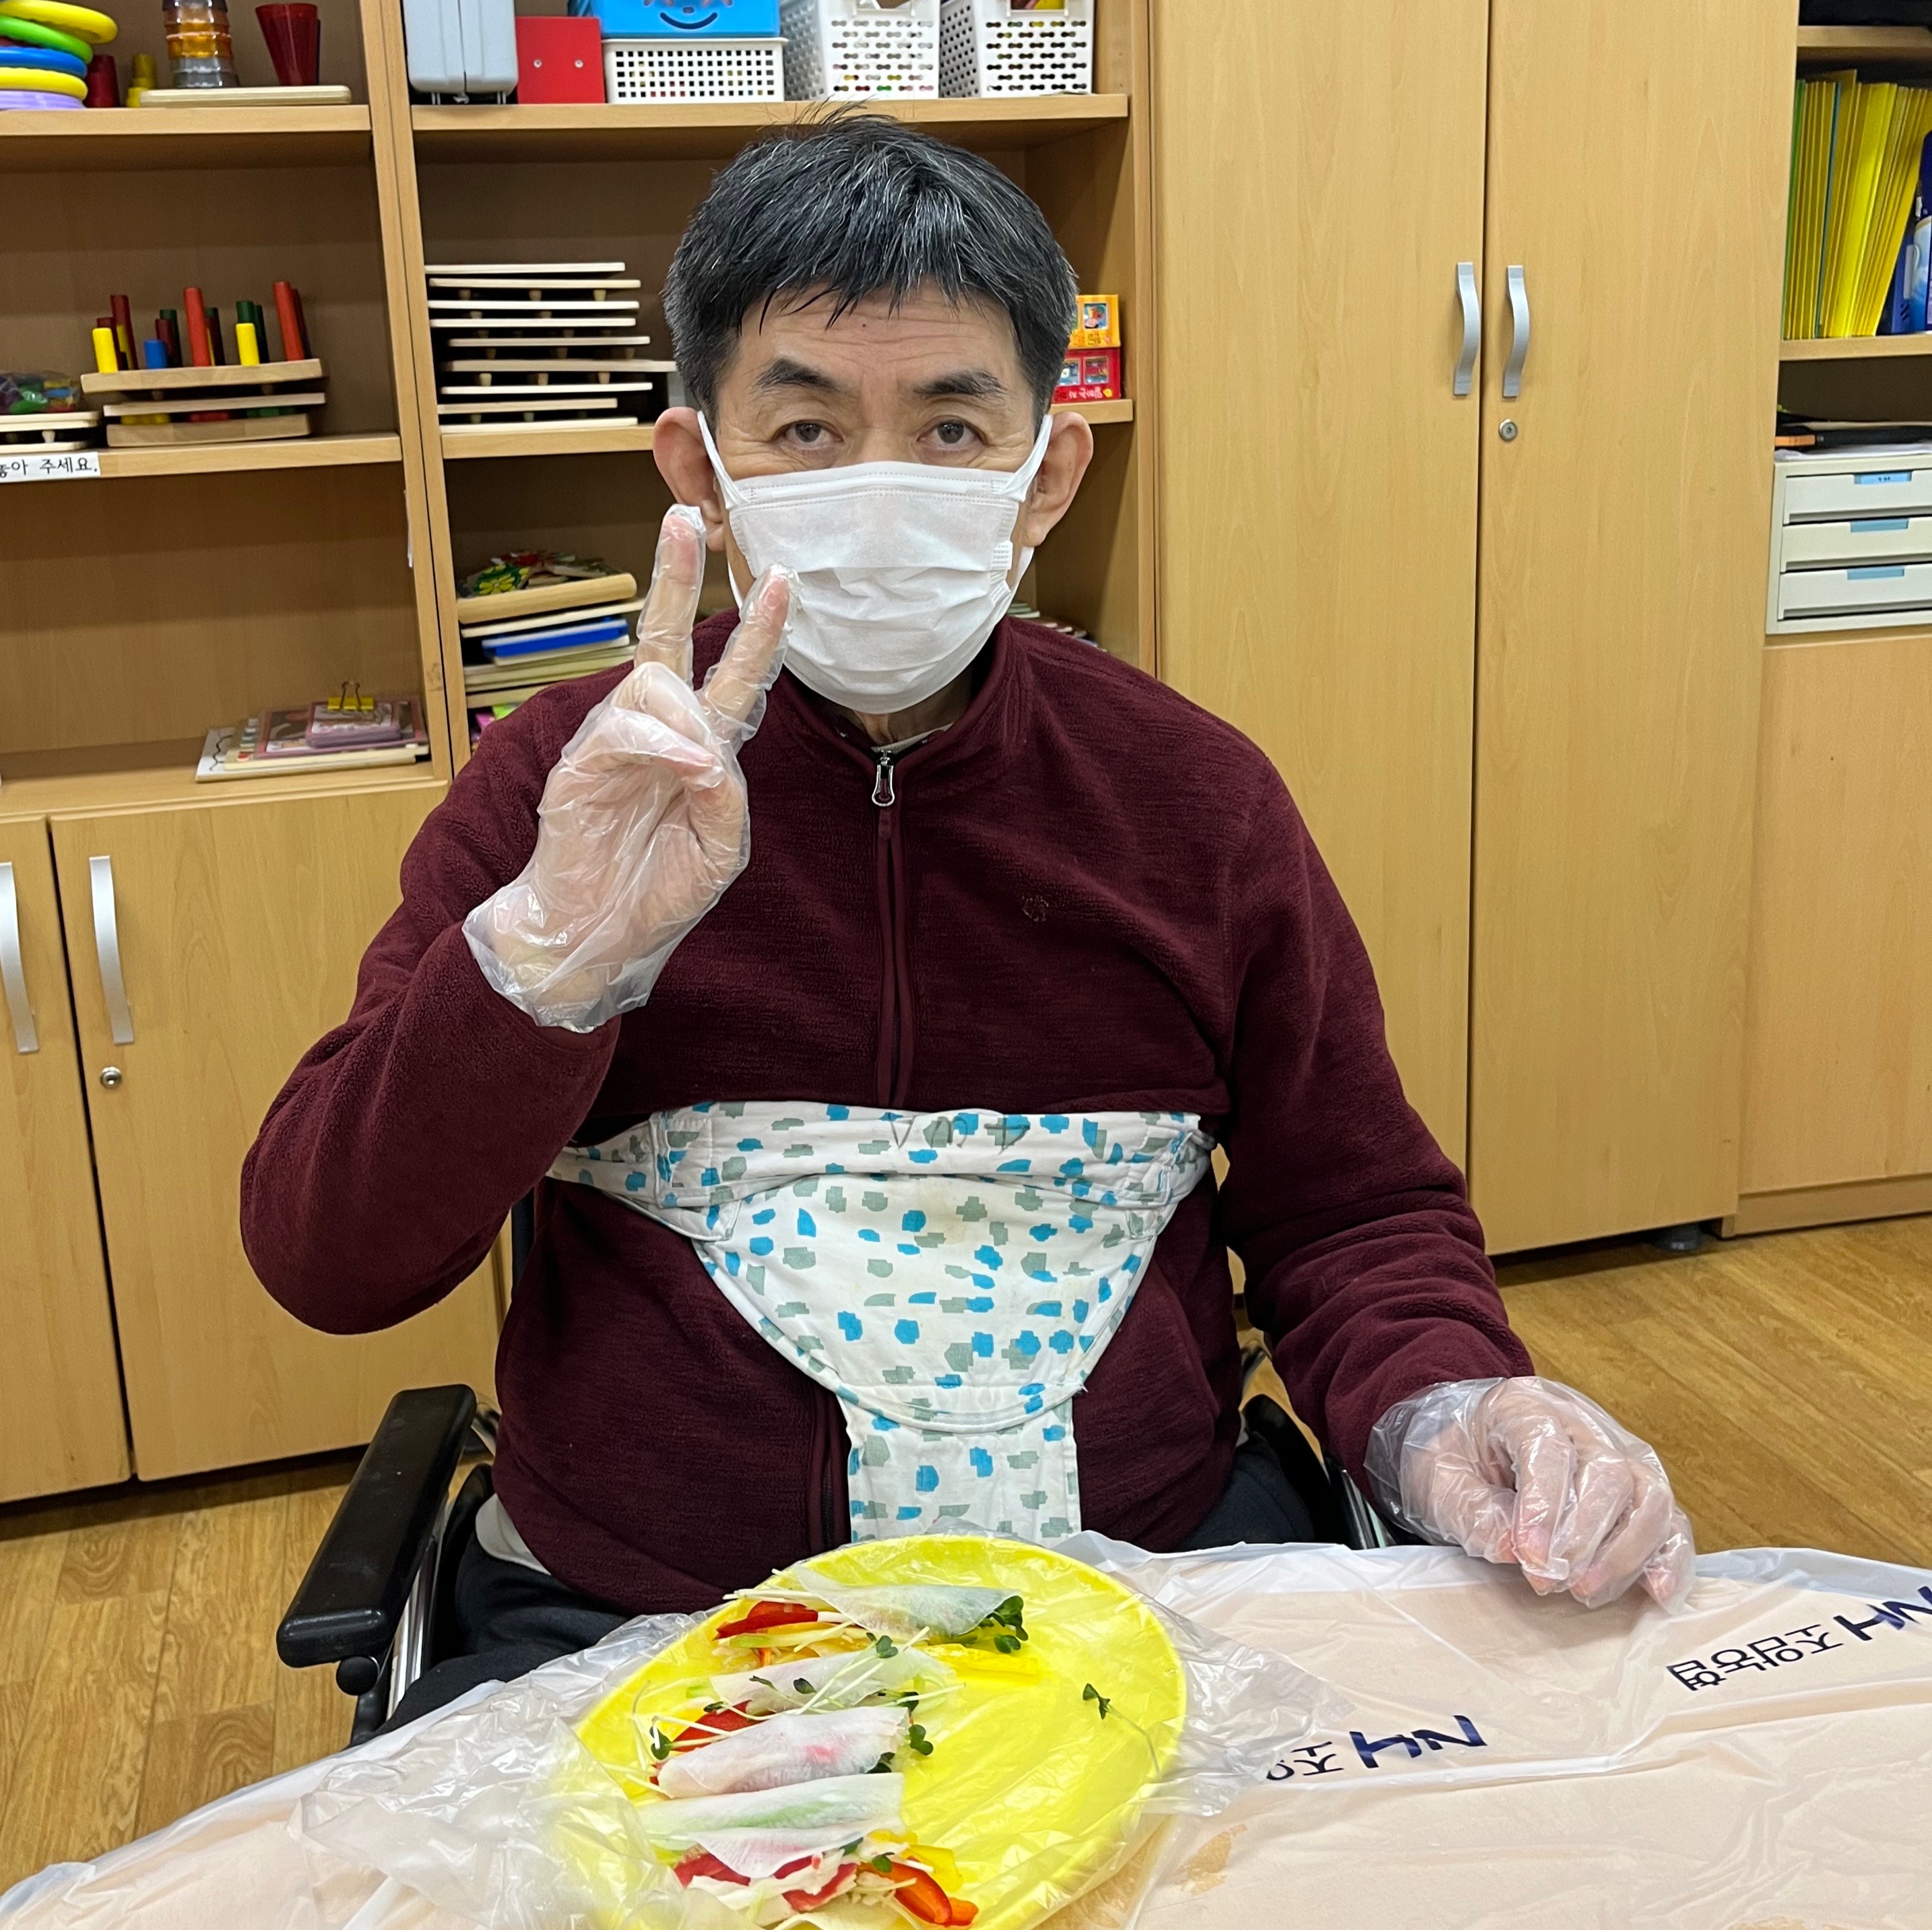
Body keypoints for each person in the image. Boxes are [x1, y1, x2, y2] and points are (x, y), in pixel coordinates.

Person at [242, 116, 1694, 1723]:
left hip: (1154, 1599)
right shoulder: (565, 789)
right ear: (700, 471)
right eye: (805, 428)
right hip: (641, 1629)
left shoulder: (1196, 800)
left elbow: (1353, 1210)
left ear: (1044, 472)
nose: (878, 489)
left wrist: (1449, 1406)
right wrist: (543, 965)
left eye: (949, 427)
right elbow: (328, 1256)